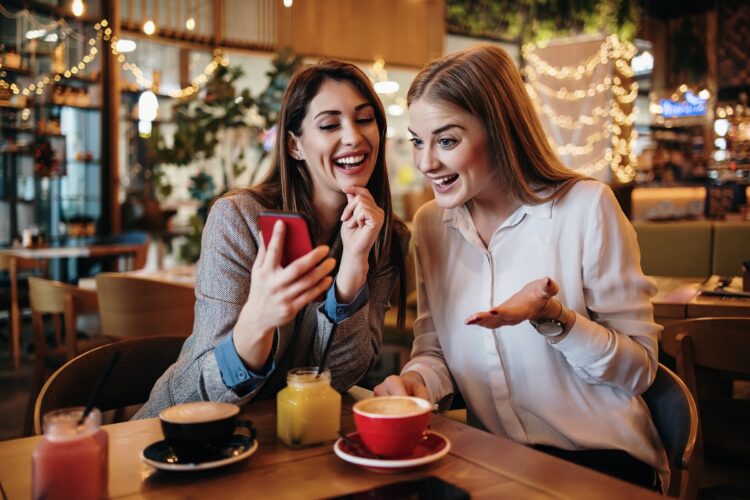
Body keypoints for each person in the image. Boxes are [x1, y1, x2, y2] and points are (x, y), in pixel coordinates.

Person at [374, 45, 668, 491]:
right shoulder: (431, 225)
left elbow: (640, 371)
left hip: (600, 458)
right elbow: (434, 350)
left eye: (446, 141)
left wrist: (556, 320)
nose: (425, 163)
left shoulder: (587, 207)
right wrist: (416, 383)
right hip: (493, 460)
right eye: (418, 140)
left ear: (499, 131)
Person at [136, 59, 408, 418]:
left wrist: (354, 271)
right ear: (295, 145)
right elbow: (195, 396)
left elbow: (340, 378)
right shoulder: (238, 219)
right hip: (184, 436)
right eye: (329, 124)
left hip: (291, 440)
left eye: (364, 119)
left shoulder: (384, 234)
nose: (353, 137)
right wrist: (257, 322)